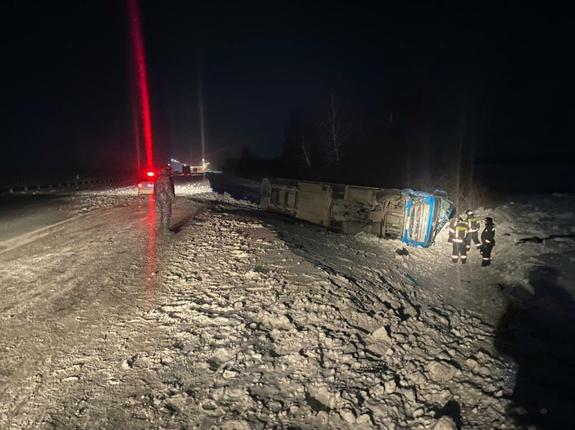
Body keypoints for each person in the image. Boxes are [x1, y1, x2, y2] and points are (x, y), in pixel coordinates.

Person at [154, 165, 176, 233]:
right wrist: (172, 198)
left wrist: (155, 198)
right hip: (165, 199)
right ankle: (165, 231)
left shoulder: (158, 177)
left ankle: (162, 229)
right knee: (167, 214)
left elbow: (154, 189)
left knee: (162, 213)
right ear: (167, 170)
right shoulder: (166, 178)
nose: (171, 172)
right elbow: (168, 189)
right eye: (170, 170)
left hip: (158, 198)